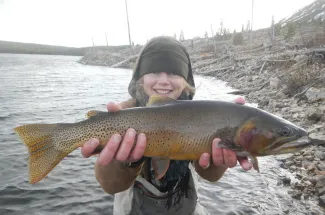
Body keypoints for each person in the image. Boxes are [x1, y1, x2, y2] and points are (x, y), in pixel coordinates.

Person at [81, 36, 252, 215]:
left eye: (173, 73)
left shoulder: (203, 116)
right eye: (154, 72)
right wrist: (125, 162)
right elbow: (110, 186)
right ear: (140, 79)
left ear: (186, 81)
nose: (164, 81)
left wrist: (227, 138)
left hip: (186, 206)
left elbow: (210, 176)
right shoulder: (121, 115)